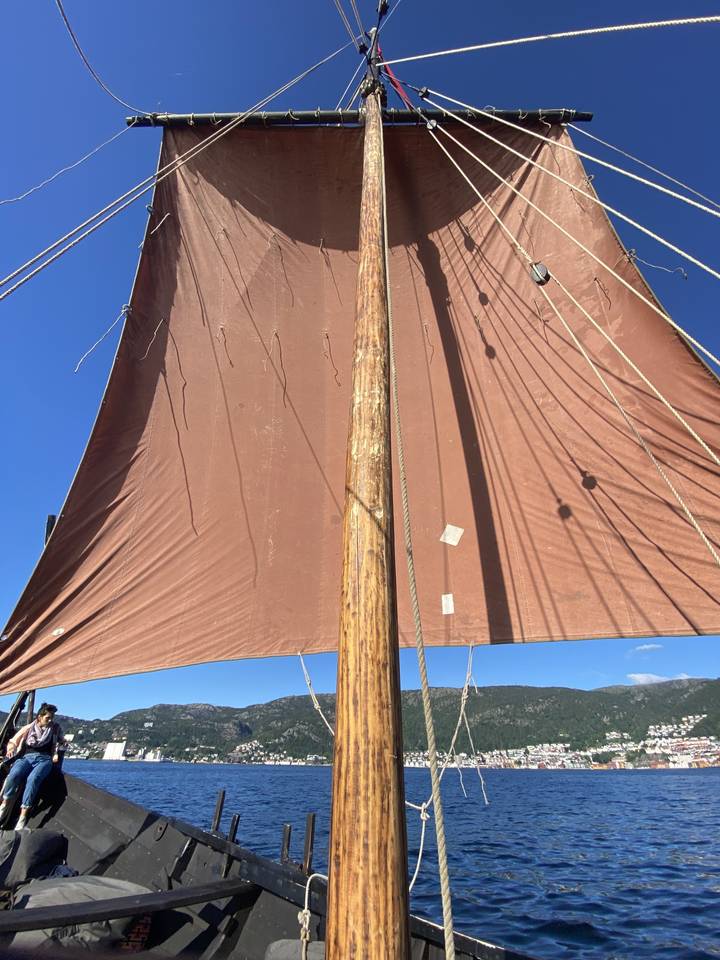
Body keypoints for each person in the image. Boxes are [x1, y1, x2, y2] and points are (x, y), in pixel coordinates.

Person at [0, 703, 65, 829]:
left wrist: (60, 747)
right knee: (14, 774)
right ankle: (5, 804)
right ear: (39, 717)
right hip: (26, 757)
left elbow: (61, 740)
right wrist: (11, 748)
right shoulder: (29, 728)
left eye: (52, 718)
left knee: (33, 779)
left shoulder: (55, 729)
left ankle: (23, 816)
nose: (50, 720)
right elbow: (14, 740)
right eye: (48, 718)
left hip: (44, 759)